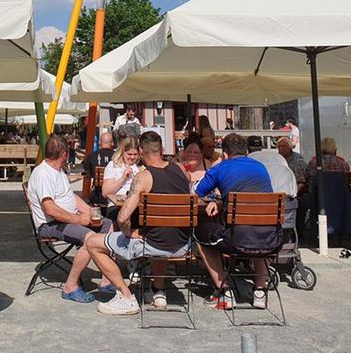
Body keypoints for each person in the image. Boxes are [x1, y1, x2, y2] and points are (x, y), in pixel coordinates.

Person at [85, 131, 192, 315]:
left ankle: (126, 296)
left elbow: (122, 217)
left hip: (153, 244)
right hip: (183, 244)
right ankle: (158, 290)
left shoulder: (143, 178)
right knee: (161, 233)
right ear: (163, 149)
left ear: (141, 152)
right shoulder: (181, 170)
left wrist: (129, 233)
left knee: (92, 243)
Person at [193, 134, 277, 310]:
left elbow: (197, 192)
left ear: (224, 154)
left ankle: (224, 291)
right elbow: (252, 199)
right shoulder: (260, 167)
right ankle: (260, 291)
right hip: (269, 237)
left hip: (237, 238)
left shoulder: (221, 167)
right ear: (246, 152)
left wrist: (216, 198)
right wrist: (221, 201)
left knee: (200, 235)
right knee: (257, 228)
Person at [27, 135, 113, 303]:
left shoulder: (58, 170)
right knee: (90, 238)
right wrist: (79, 219)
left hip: (65, 220)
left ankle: (106, 278)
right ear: (64, 154)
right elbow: (50, 209)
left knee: (108, 225)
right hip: (51, 224)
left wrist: (90, 212)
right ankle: (70, 286)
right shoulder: (43, 174)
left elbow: (70, 197)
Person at [101, 136, 140, 211]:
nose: (132, 157)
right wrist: (123, 179)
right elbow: (105, 193)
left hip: (136, 206)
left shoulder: (141, 167)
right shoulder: (113, 165)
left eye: (135, 154)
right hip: (116, 206)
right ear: (122, 152)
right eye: (129, 154)